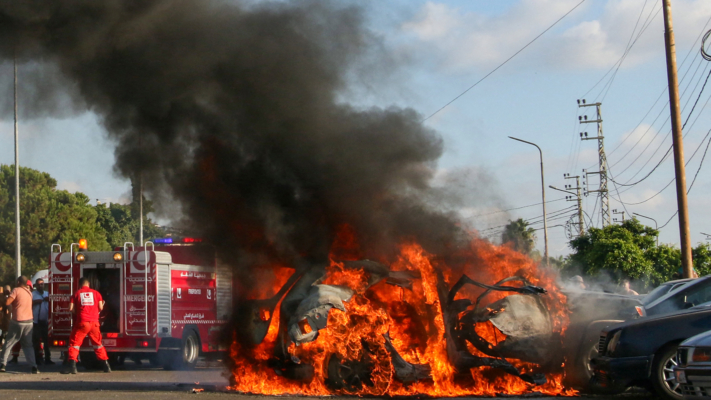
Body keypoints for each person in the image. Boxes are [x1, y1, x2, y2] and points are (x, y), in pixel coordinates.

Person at [62, 277, 110, 374]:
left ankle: (73, 366)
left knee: (74, 344)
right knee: (97, 344)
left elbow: (70, 308)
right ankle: (106, 365)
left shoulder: (76, 294)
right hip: (94, 323)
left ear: (80, 285)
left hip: (82, 322)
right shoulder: (97, 293)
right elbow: (100, 308)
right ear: (88, 284)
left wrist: (78, 313)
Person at [0, 276, 39, 374]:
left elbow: (8, 302)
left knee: (9, 343)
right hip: (29, 322)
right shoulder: (29, 293)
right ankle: (34, 366)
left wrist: (6, 297)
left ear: (18, 282)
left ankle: (2, 364)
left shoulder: (16, 290)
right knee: (28, 346)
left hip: (18, 321)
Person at [32, 278, 53, 365]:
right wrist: (36, 302)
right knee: (36, 341)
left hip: (46, 321)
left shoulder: (47, 294)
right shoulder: (33, 294)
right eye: (39, 284)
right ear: (36, 285)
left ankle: (48, 358)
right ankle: (37, 359)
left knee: (47, 341)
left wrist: (49, 300)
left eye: (42, 284)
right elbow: (28, 304)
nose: (41, 286)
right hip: (36, 322)